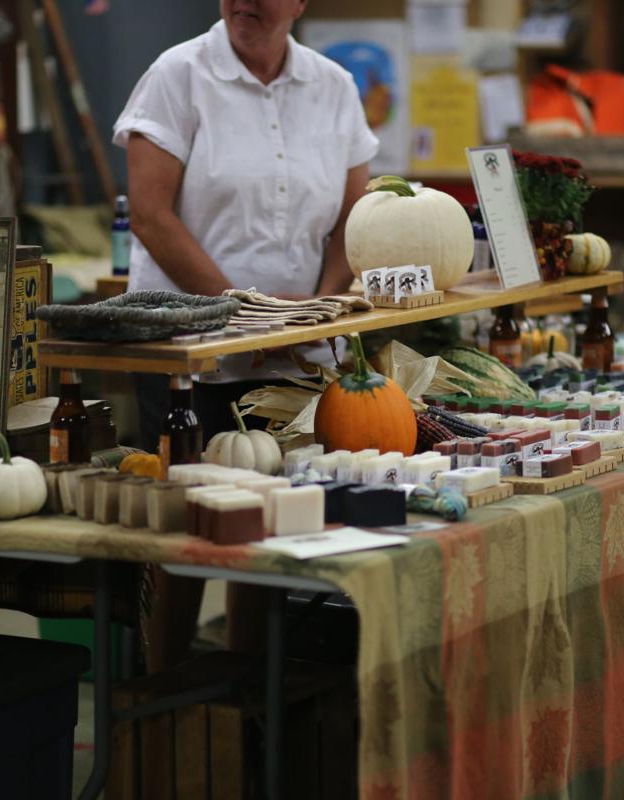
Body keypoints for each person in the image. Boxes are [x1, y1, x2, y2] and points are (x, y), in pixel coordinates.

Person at [112, 0, 377, 672]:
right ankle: (159, 694)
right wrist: (244, 315)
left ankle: (245, 705)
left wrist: (311, 311)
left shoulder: (334, 86)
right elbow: (150, 215)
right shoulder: (179, 75)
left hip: (292, 353)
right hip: (189, 352)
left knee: (265, 531)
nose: (243, 3)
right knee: (184, 533)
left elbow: (354, 216)